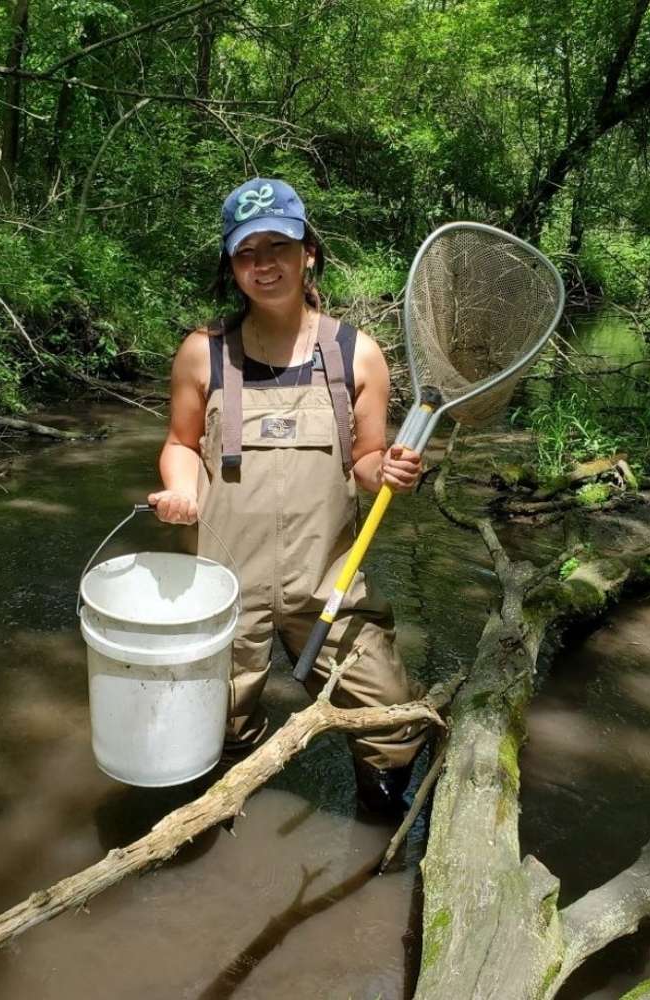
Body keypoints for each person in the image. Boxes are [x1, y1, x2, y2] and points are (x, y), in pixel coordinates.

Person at [148, 178, 425, 815]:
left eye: (279, 245)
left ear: (309, 254)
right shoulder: (203, 354)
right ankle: (214, 831)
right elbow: (181, 444)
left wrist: (391, 472)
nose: (264, 264)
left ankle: (377, 830)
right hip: (222, 589)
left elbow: (365, 461)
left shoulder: (359, 355)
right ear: (231, 266)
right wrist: (179, 488)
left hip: (328, 583)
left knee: (392, 720)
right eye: (248, 252)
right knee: (206, 736)